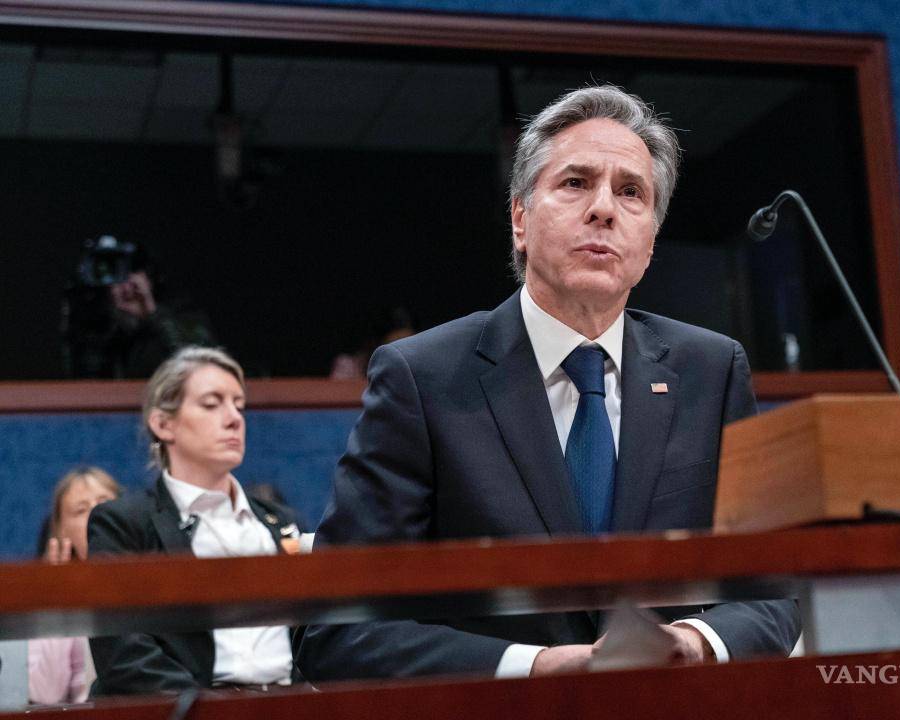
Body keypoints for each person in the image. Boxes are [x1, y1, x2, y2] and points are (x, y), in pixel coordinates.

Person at [298, 85, 800, 681]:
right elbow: (335, 629)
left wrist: (695, 640)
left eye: (631, 192)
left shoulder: (710, 371)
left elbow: (773, 586)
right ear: (520, 218)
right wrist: (531, 667)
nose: (604, 208)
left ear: (650, 243)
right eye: (575, 183)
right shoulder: (423, 377)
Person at [87, 347, 302, 695]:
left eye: (239, 405)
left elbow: (317, 638)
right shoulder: (124, 523)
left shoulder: (283, 522)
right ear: (163, 424)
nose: (234, 418)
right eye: (212, 403)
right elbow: (124, 656)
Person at [61, 235, 216, 379]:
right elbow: (85, 383)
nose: (126, 288)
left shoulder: (185, 319)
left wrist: (152, 314)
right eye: (116, 277)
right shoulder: (101, 332)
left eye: (131, 274)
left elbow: (201, 371)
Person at [28, 467, 120, 705]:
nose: (97, 514)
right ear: (61, 532)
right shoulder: (47, 601)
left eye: (105, 502)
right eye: (81, 510)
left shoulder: (160, 584)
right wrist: (57, 600)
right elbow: (45, 695)